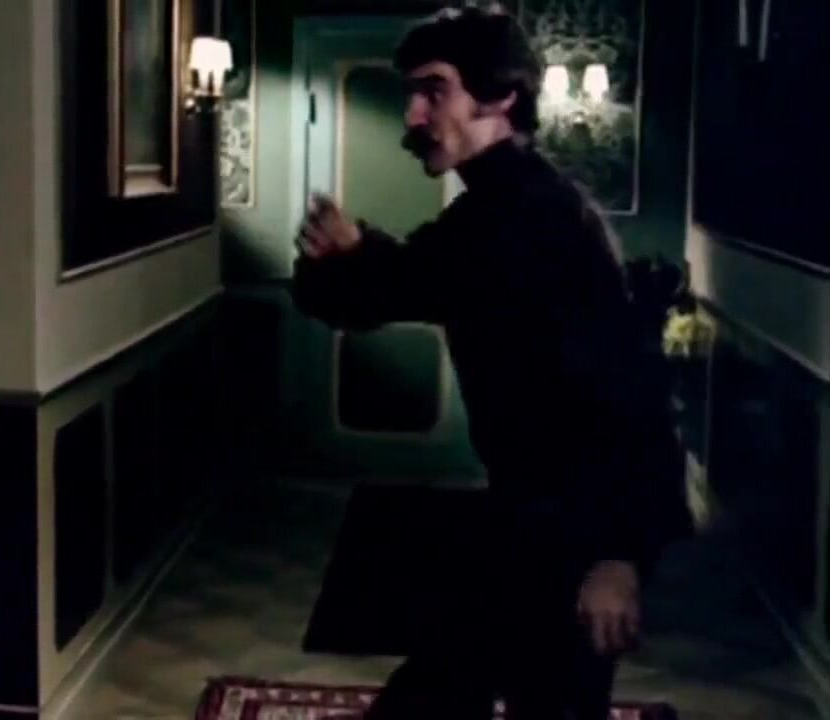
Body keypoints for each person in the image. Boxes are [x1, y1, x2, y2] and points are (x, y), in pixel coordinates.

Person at [293, 7, 691, 719]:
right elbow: (405, 281)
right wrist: (349, 253)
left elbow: (630, 395)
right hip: (526, 523)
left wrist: (618, 557)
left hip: (573, 533)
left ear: (501, 96)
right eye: (412, 93)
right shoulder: (496, 209)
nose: (414, 115)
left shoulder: (532, 217)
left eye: (434, 90)